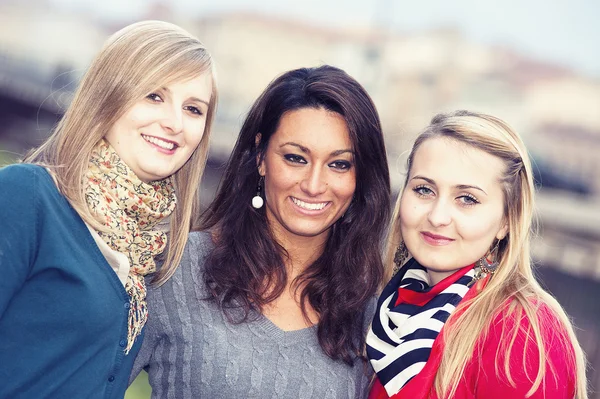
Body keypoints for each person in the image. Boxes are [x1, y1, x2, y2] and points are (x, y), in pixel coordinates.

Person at [130, 65, 391, 398]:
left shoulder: (373, 311)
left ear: (361, 177)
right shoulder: (173, 271)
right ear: (261, 156)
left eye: (339, 164)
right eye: (296, 158)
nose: (314, 185)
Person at [0, 20, 217, 398]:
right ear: (108, 94)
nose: (174, 123)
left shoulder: (148, 253)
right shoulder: (28, 197)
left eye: (194, 109)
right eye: (154, 95)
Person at [366, 110, 588, 399]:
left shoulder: (521, 334)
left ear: (507, 220)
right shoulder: (390, 304)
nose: (438, 216)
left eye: (467, 199)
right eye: (424, 190)